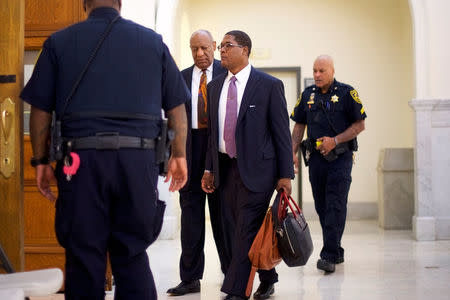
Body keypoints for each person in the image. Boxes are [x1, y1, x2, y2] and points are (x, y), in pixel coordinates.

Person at [20, 0, 190, 299]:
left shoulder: (59, 42)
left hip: (79, 161)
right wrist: (179, 154)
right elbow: (176, 105)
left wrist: (41, 160)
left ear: (85, 4)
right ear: (120, 4)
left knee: (83, 256)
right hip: (137, 161)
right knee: (133, 254)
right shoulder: (153, 42)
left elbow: (40, 110)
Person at [201, 30, 294, 300]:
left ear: (245, 50)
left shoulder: (268, 85)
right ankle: (268, 277)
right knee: (234, 228)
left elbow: (281, 134)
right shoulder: (215, 86)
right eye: (222, 47)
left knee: (246, 229)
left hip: (259, 172)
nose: (222, 51)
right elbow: (212, 136)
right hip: (225, 170)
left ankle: (237, 290)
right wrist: (209, 168)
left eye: (228, 46)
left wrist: (285, 174)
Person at [290, 55, 366, 273]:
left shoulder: (346, 93)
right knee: (322, 205)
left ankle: (329, 255)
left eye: (322, 70)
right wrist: (291, 153)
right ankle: (336, 249)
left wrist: (336, 140)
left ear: (332, 70)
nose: (317, 75)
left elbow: (360, 124)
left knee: (335, 204)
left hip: (340, 159)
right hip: (316, 159)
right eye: (314, 70)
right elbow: (298, 127)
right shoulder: (308, 95)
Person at [166, 30, 228, 296]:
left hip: (219, 153)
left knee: (222, 219)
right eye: (194, 49)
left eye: (204, 48)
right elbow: (173, 119)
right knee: (190, 219)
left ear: (214, 47)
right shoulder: (180, 78)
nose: (200, 54)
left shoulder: (227, 76)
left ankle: (231, 273)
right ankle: (190, 278)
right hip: (190, 150)